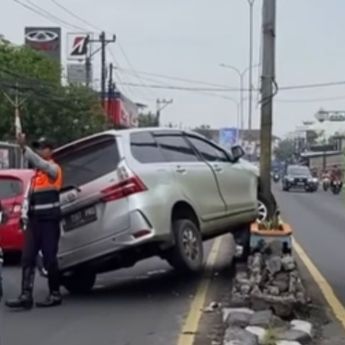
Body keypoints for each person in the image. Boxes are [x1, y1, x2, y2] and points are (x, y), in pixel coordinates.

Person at [6, 135, 63, 310]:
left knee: (50, 259)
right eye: (38, 147)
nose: (40, 150)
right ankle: (26, 296)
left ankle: (55, 294)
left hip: (49, 221)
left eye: (43, 147)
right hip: (34, 221)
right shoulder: (35, 177)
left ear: (51, 150)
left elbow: (41, 164)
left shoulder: (54, 169)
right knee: (27, 258)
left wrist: (24, 149)